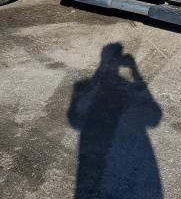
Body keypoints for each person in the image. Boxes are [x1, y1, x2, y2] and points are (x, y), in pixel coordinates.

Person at [68, 43, 163, 198]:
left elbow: (75, 121)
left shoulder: (83, 87)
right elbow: (154, 118)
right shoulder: (124, 88)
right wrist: (134, 71)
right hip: (112, 156)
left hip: (96, 155)